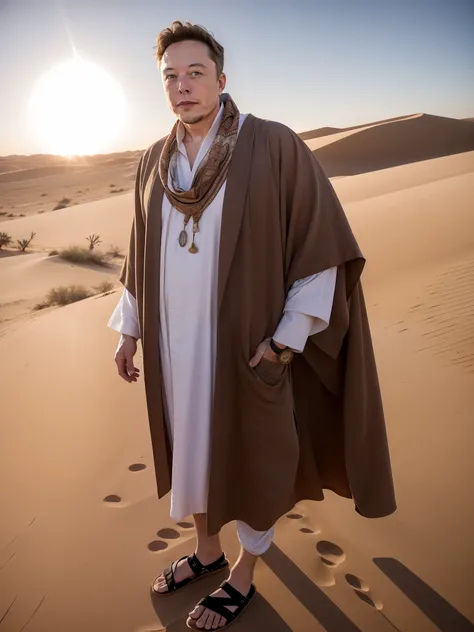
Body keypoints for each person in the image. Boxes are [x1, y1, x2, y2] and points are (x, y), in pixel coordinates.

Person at [108, 20, 396, 631]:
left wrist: (286, 338)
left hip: (246, 348)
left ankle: (242, 572)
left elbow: (317, 246)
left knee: (256, 457)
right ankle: (206, 552)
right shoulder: (153, 163)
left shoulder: (273, 145)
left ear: (220, 77)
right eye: (170, 77)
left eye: (195, 73)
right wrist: (129, 329)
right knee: (189, 451)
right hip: (172, 351)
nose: (182, 86)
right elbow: (139, 250)